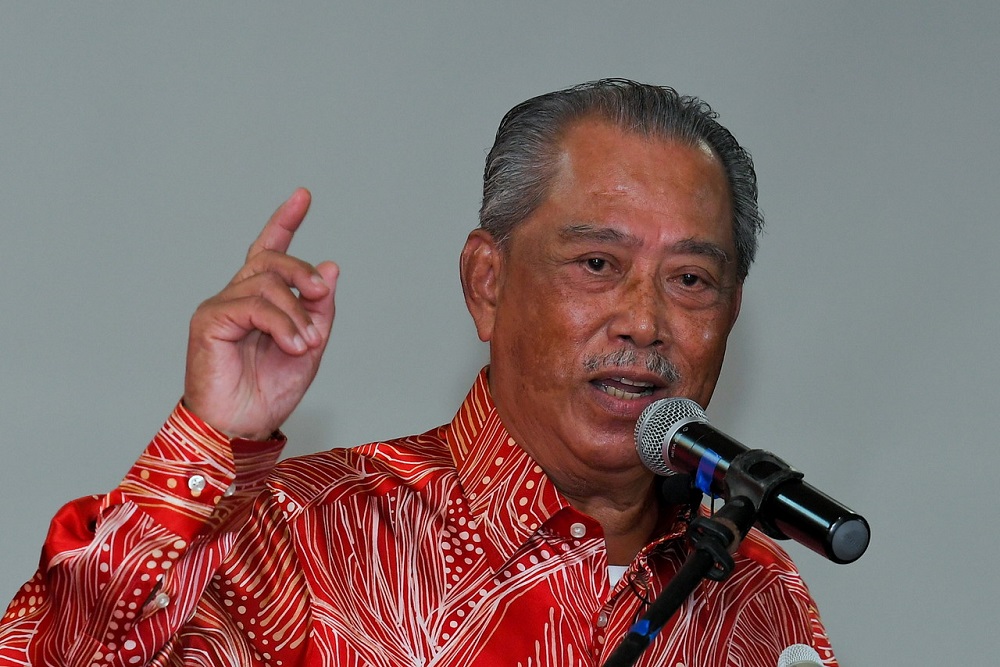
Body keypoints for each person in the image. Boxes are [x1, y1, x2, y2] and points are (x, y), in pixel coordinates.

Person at [0, 80, 836, 666]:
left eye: (690, 279)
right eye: (596, 264)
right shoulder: (300, 539)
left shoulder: (756, 590)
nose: (644, 321)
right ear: (487, 283)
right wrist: (206, 440)